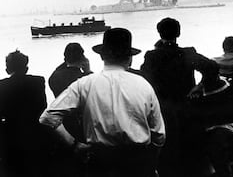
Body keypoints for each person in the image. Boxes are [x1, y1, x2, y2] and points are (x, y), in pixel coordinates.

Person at [39, 28, 165, 177]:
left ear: (102, 56)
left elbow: (47, 117)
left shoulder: (84, 84)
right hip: (138, 162)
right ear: (129, 58)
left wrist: (75, 145)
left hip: (100, 162)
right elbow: (159, 135)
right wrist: (150, 163)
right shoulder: (143, 85)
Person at [141, 17, 218, 177]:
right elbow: (212, 67)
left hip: (163, 111)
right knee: (191, 155)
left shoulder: (152, 56)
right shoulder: (187, 53)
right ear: (179, 33)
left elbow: (145, 79)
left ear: (159, 33)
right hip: (187, 109)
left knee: (168, 157)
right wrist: (200, 86)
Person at [0, 50, 48, 176]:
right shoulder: (38, 81)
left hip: (10, 137)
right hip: (36, 134)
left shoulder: (2, 86)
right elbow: (43, 106)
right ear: (26, 67)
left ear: (7, 69)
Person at [48, 43, 92, 176]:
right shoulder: (85, 78)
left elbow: (58, 70)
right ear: (82, 58)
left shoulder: (54, 77)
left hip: (65, 124)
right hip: (83, 124)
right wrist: (88, 70)